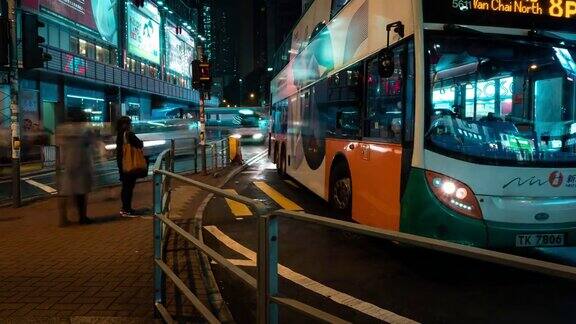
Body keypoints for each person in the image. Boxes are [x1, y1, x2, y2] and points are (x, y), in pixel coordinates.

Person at [56, 111, 96, 225]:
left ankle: (63, 219)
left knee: (64, 192)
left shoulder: (63, 129)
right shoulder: (85, 130)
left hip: (67, 165)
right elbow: (91, 142)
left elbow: (59, 145)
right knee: (82, 193)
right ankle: (82, 218)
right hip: (82, 164)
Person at [116, 116, 144, 217]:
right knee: (129, 187)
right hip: (130, 164)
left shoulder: (119, 134)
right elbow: (139, 144)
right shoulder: (129, 134)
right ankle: (127, 209)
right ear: (126, 124)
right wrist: (141, 143)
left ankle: (125, 208)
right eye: (129, 123)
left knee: (125, 186)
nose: (130, 125)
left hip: (122, 163)